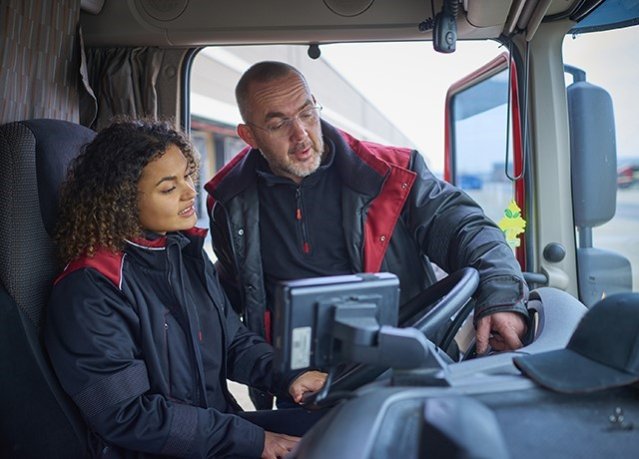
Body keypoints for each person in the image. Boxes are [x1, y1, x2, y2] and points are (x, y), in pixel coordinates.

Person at [205, 61, 529, 407]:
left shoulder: (393, 174)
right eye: (278, 123)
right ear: (249, 136)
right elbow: (230, 295)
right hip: (301, 387)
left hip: (400, 372)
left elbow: (467, 229)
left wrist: (501, 295)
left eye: (306, 113)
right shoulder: (228, 201)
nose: (300, 134)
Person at [44, 118, 326, 459]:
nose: (191, 191)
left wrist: (291, 377)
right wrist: (253, 441)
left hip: (215, 434)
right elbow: (126, 415)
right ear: (121, 200)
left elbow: (233, 342)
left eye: (186, 176)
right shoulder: (91, 288)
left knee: (341, 424)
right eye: (168, 188)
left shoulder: (183, 253)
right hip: (154, 450)